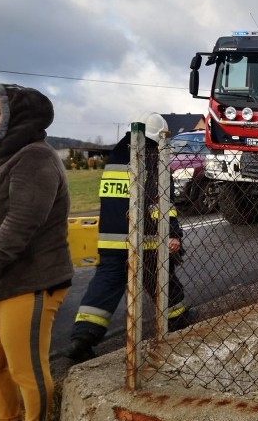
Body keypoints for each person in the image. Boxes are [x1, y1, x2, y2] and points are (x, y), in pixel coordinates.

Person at [0, 84, 74, 421]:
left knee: (25, 366)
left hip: (32, 280)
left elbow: (22, 221)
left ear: (19, 118)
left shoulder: (35, 158)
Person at [65, 112, 191, 362]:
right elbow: (161, 203)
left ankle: (83, 337)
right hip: (145, 237)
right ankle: (178, 320)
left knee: (105, 285)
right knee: (160, 278)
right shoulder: (151, 157)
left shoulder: (117, 154)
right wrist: (173, 232)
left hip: (111, 238)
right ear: (159, 140)